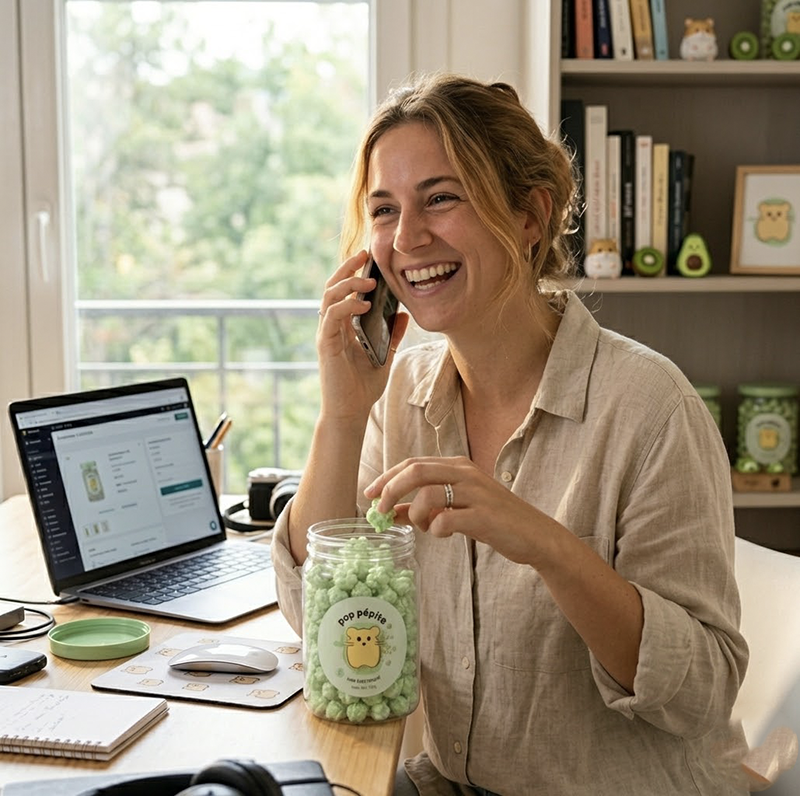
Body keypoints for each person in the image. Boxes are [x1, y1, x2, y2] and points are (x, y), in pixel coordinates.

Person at [270, 73, 749, 795]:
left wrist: (543, 543)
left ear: (530, 216)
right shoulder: (399, 392)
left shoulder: (651, 408)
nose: (407, 238)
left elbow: (701, 691)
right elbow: (319, 622)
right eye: (383, 209)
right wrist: (341, 415)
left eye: (441, 197)